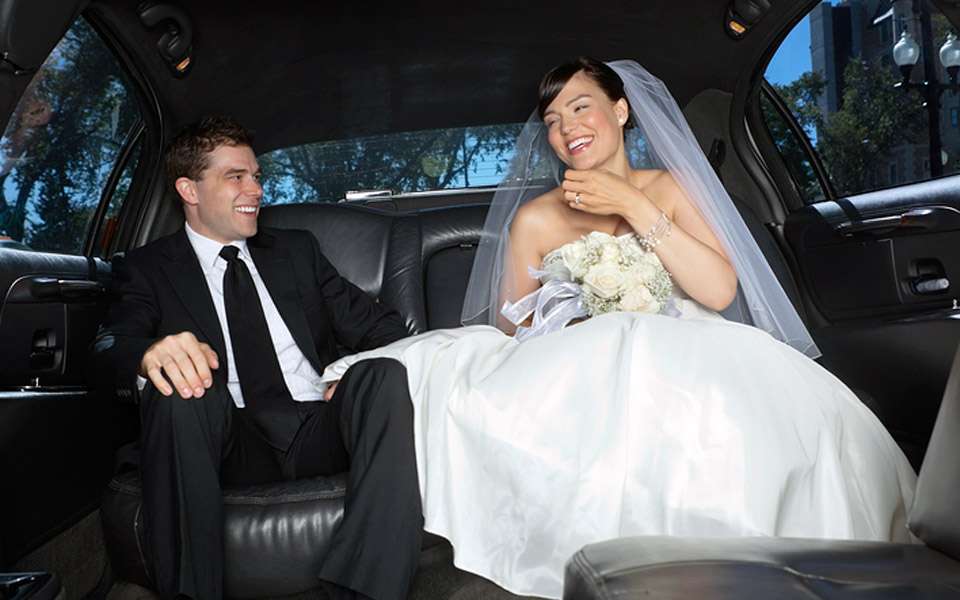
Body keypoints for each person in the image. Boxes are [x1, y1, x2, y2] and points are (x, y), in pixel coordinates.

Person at [319, 58, 917, 598]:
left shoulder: (670, 189)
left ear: (621, 111)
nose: (567, 129)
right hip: (579, 368)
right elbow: (511, 331)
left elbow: (718, 291)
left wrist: (633, 206)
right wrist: (575, 315)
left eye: (581, 108)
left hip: (687, 352)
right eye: (553, 121)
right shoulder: (535, 218)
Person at [92, 116, 422, 600]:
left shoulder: (297, 251)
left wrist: (345, 374)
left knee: (385, 375)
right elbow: (109, 346)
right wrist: (147, 353)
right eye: (236, 177)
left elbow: (386, 331)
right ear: (189, 189)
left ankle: (366, 593)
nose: (256, 190)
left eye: (257, 176)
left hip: (318, 425)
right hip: (227, 439)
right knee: (182, 387)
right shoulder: (148, 268)